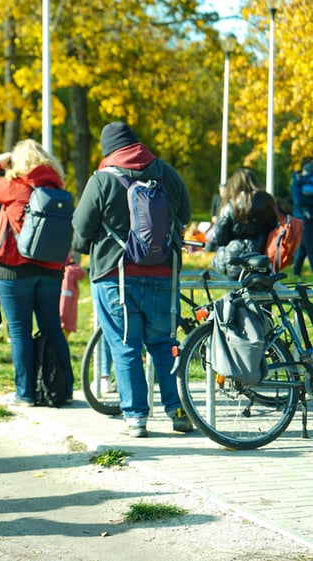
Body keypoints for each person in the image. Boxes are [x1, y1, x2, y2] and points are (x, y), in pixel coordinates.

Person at [72, 121, 193, 437]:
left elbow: (82, 227)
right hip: (164, 274)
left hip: (115, 275)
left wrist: (88, 247)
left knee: (125, 346)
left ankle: (136, 419)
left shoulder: (102, 179)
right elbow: (186, 214)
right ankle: (177, 409)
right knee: (164, 344)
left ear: (107, 150)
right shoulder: (166, 173)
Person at [0, 139, 74, 406]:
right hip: (50, 270)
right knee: (53, 328)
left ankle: (25, 393)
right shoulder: (59, 191)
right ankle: (65, 388)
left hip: (14, 270)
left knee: (19, 331)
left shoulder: (15, 188)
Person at [207, 167, 278, 279]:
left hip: (235, 257)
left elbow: (220, 237)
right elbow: (274, 226)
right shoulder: (268, 201)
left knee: (235, 293)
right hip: (262, 255)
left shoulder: (231, 204)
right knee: (261, 291)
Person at [291, 157, 313, 276]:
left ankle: (296, 272)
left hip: (308, 217)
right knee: (310, 245)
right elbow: (298, 200)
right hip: (303, 218)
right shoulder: (298, 180)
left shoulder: (309, 180)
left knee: (304, 246)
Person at [60, 255, 85, 341]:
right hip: (67, 312)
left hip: (65, 312)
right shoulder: (70, 272)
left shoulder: (67, 272)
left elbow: (65, 295)